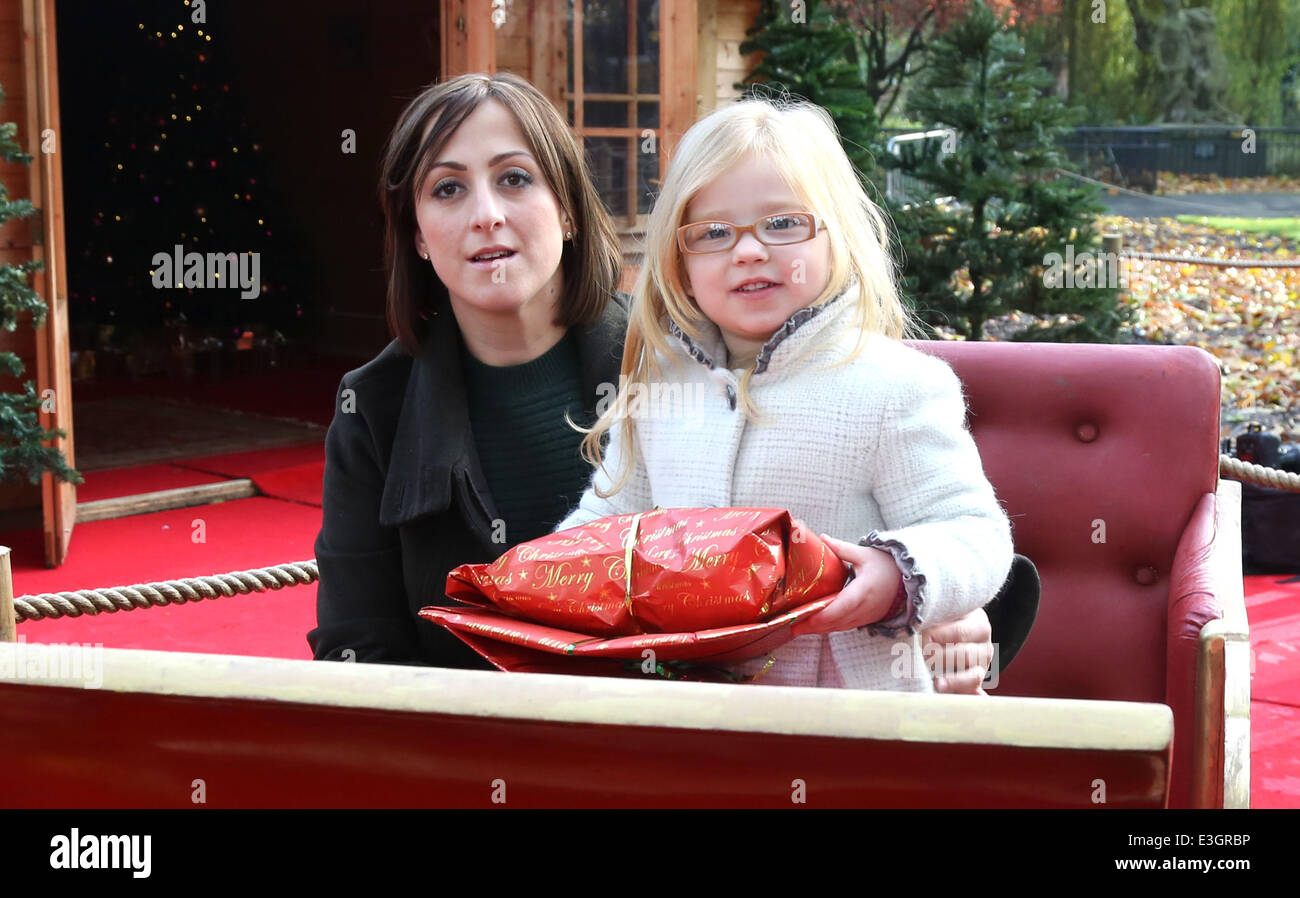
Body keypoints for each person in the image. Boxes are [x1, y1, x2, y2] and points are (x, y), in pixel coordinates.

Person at [309, 73, 1025, 691]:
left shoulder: (656, 358)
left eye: (515, 177)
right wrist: (506, 597)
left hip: (827, 716)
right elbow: (600, 524)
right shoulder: (377, 407)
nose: (486, 214)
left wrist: (919, 588)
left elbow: (968, 538)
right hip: (619, 733)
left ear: (566, 207)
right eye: (447, 188)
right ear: (415, 231)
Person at [557, 95, 1025, 691]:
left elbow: (972, 531)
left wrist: (898, 573)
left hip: (851, 719)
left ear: (836, 235)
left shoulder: (894, 385)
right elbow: (612, 517)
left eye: (782, 223)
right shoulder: (661, 385)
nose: (748, 249)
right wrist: (543, 574)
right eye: (714, 232)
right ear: (680, 260)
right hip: (689, 710)